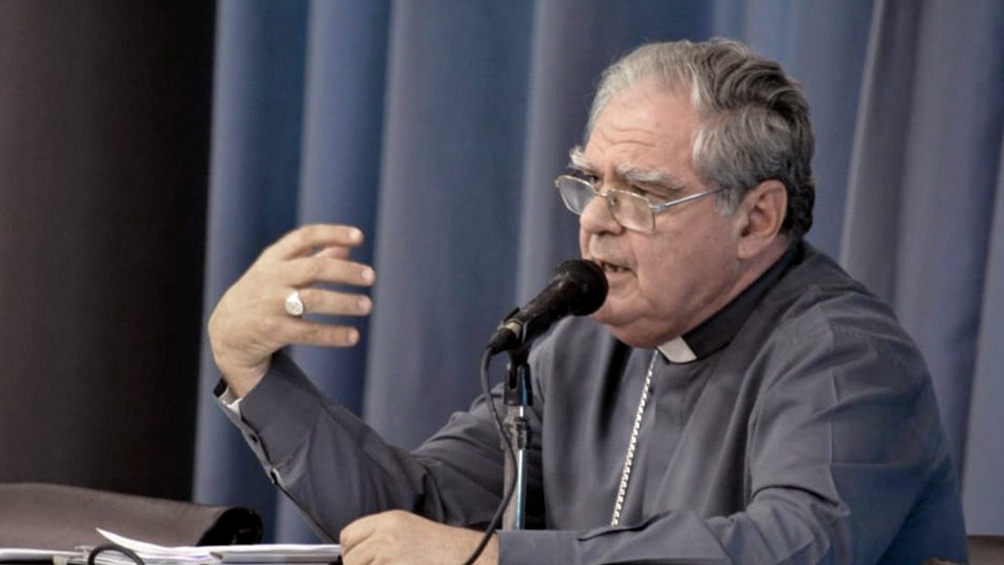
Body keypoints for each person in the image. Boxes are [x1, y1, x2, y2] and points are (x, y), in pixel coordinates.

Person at [208, 39, 968, 563]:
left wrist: (500, 557)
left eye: (639, 192)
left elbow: (791, 547)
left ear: (756, 217)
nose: (596, 218)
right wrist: (253, 369)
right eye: (588, 182)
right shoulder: (581, 345)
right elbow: (421, 515)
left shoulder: (846, 354)